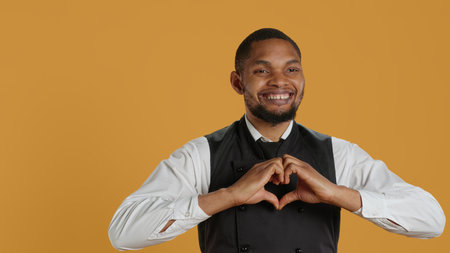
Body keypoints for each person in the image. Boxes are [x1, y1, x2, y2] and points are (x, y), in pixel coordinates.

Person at [108, 28, 445, 253]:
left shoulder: (338, 154)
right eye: (262, 70)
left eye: (292, 69)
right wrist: (227, 196)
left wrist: (336, 193)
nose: (280, 82)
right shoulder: (200, 155)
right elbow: (122, 233)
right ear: (238, 82)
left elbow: (432, 221)